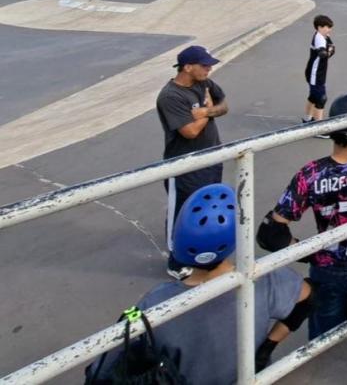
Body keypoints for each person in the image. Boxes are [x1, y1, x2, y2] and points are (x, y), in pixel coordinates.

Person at [86, 184, 313, 383]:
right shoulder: (264, 279)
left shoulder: (156, 302)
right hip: (248, 377)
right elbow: (309, 297)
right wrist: (266, 348)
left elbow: (100, 369)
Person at [257, 94, 347, 339]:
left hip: (326, 266)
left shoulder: (310, 174)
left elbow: (270, 234)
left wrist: (309, 252)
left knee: (325, 339)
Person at [156, 45, 229, 279]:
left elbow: (224, 106)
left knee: (207, 210)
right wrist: (208, 111)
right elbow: (189, 132)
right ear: (187, 67)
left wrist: (207, 111)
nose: (209, 68)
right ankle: (176, 261)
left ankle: (204, 254)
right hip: (185, 167)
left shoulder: (204, 83)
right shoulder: (171, 96)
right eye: (204, 65)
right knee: (183, 213)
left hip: (212, 159)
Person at [304, 14, 335, 124]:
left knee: (313, 96)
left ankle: (307, 119)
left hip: (319, 72)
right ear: (320, 27)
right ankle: (319, 128)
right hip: (315, 73)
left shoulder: (324, 36)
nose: (330, 29)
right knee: (321, 98)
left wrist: (330, 50)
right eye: (328, 27)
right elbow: (322, 53)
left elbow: (331, 46)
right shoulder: (319, 39)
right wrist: (329, 51)